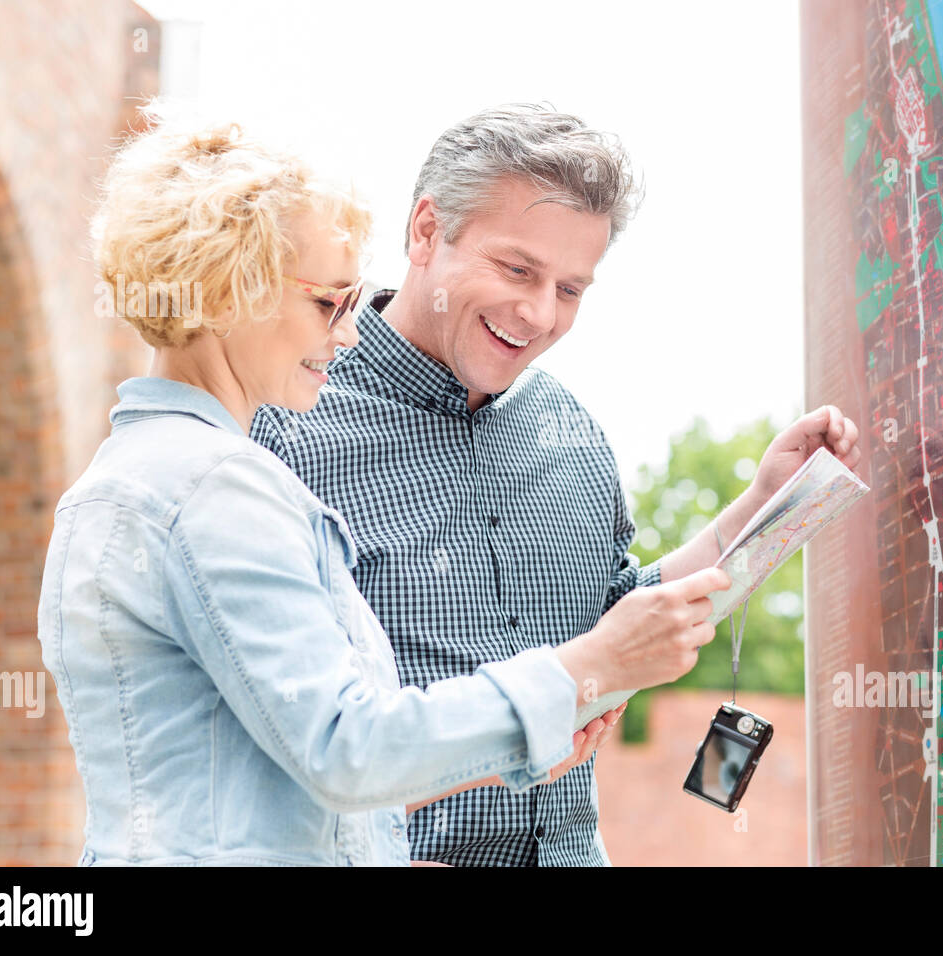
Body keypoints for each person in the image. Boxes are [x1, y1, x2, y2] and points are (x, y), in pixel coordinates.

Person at [35, 113, 729, 867]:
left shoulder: (141, 477)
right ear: (234, 292)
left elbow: (267, 766)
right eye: (328, 303)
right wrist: (579, 676)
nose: (348, 331)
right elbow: (346, 748)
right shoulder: (217, 485)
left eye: (569, 286)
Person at [251, 104, 863, 866]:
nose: (538, 314)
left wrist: (762, 502)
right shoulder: (283, 422)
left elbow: (618, 627)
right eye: (517, 270)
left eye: (571, 289)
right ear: (425, 231)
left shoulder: (569, 430)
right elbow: (258, 736)